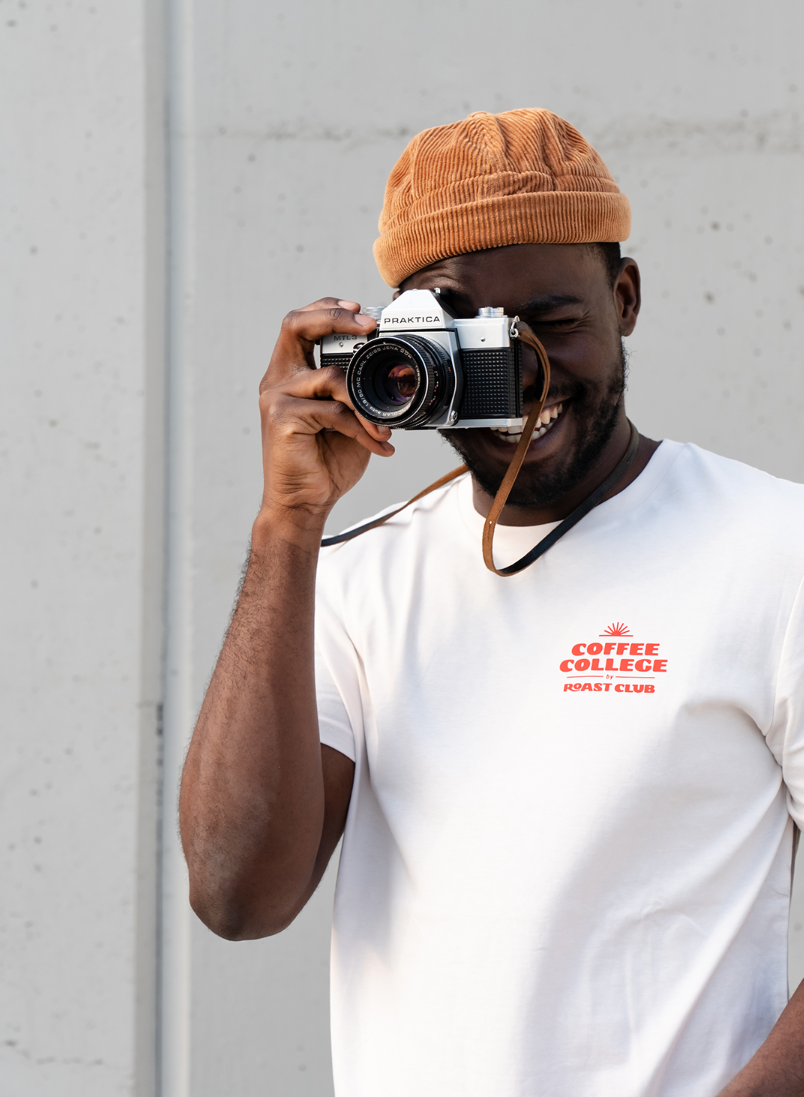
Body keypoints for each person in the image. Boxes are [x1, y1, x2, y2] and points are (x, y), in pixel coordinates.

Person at [179, 109, 804, 1096]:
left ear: (626, 299)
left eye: (553, 323)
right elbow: (235, 894)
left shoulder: (777, 549)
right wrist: (286, 525)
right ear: (397, 348)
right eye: (467, 332)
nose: (524, 374)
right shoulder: (350, 580)